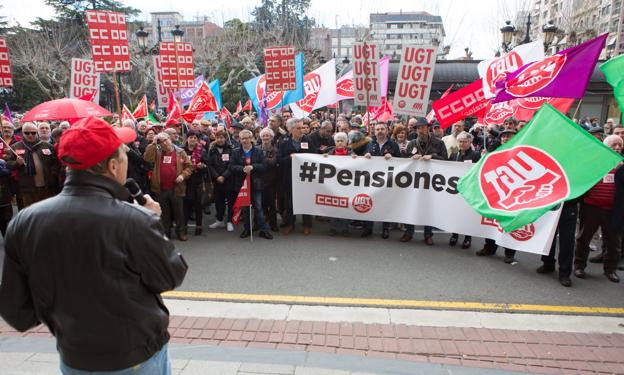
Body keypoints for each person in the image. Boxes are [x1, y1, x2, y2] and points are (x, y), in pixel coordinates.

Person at [0, 116, 188, 374]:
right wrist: (152, 220)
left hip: (74, 355)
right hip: (135, 357)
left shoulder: (25, 221)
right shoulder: (135, 220)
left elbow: (17, 313)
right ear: (113, 166)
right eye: (123, 155)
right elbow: (171, 275)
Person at [573, 135, 623, 283]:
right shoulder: (593, 162)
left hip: (613, 211)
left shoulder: (622, 165)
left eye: (619, 145)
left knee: (614, 242)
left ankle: (610, 269)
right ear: (604, 146)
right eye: (614, 145)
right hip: (591, 208)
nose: (617, 148)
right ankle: (579, 266)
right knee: (583, 238)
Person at [475, 129, 520, 263]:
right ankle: (489, 247)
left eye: (509, 136)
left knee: (510, 223)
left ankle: (509, 252)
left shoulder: (521, 151)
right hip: (497, 192)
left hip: (513, 193)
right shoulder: (495, 151)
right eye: (504, 137)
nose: (506, 138)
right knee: (493, 221)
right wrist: (485, 157)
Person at [401, 117, 448, 244]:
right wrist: (411, 157)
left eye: (423, 127)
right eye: (418, 128)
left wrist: (433, 157)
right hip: (414, 181)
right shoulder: (412, 144)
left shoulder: (439, 143)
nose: (421, 130)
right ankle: (408, 232)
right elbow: (404, 161)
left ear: (428, 128)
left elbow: (445, 160)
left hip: (431, 182)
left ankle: (428, 235)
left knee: (429, 207)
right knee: (410, 205)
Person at [144, 132, 192, 241]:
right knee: (164, 213)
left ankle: (181, 232)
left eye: (165, 140)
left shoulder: (180, 152)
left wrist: (182, 176)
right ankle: (166, 232)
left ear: (170, 139)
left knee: (179, 212)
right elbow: (147, 159)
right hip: (160, 188)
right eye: (161, 142)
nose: (164, 143)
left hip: (176, 188)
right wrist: (153, 143)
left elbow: (189, 167)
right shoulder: (156, 151)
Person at [5, 122, 61, 207]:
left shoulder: (48, 146)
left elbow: (56, 163)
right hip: (27, 189)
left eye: (33, 132)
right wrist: (16, 163)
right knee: (31, 214)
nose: (30, 135)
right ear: (22, 133)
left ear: (37, 132)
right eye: (27, 133)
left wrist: (52, 175)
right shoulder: (15, 147)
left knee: (48, 212)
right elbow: (8, 165)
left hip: (47, 188)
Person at [230, 129, 272, 239]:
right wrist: (242, 169)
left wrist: (253, 167)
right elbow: (232, 166)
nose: (245, 140)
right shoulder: (235, 151)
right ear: (240, 139)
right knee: (245, 208)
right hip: (242, 184)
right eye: (242, 138)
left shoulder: (258, 151)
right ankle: (247, 229)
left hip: (256, 184)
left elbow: (264, 166)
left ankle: (263, 229)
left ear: (251, 138)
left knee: (258, 207)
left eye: (247, 138)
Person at [279, 118, 317, 235]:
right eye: (298, 128)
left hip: (305, 176)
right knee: (290, 201)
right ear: (290, 129)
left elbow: (314, 155)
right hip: (289, 176)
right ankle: (290, 223)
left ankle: (307, 224)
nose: (301, 130)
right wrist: (289, 158)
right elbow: (280, 159)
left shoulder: (307, 140)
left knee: (306, 200)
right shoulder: (284, 141)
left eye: (302, 128)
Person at [362, 122, 400, 238]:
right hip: (371, 181)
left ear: (387, 130)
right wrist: (366, 156)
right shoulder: (368, 144)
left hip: (387, 181)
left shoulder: (393, 145)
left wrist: (393, 158)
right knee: (369, 202)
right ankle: (368, 227)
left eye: (382, 129)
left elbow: (401, 161)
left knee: (385, 204)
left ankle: (385, 228)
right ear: (374, 131)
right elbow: (360, 160)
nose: (379, 131)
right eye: (377, 129)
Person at [447, 131, 479, 248]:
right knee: (456, 213)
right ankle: (454, 235)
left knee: (467, 214)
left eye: (465, 142)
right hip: (456, 190)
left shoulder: (476, 155)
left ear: (470, 142)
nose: (462, 144)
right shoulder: (454, 155)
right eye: (460, 141)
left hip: (470, 190)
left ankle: (467, 237)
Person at [324, 132, 352, 237]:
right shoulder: (330, 153)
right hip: (333, 185)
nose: (340, 143)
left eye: (342, 141)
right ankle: (333, 227)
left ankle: (345, 228)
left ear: (346, 142)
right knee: (333, 205)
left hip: (346, 184)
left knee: (345, 205)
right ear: (335, 142)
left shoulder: (351, 154)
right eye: (337, 141)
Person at [207, 130, 236, 232]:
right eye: (218, 137)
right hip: (217, 181)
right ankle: (219, 220)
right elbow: (210, 165)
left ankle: (229, 221)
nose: (219, 139)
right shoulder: (212, 149)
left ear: (225, 138)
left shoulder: (231, 149)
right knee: (219, 201)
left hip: (228, 180)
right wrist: (217, 176)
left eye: (222, 137)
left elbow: (232, 164)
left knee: (230, 202)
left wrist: (224, 176)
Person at [183, 131, 210, 236]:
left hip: (197, 181)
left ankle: (199, 226)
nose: (192, 140)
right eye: (190, 137)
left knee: (198, 204)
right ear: (187, 139)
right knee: (185, 205)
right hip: (185, 181)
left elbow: (207, 166)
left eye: (194, 138)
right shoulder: (182, 150)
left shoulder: (202, 151)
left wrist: (202, 166)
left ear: (197, 140)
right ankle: (184, 225)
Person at [259, 128, 279, 232]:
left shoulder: (275, 150)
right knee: (260, 205)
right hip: (259, 181)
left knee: (272, 205)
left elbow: (273, 163)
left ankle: (273, 224)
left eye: (268, 136)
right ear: (260, 137)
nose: (266, 138)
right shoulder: (257, 149)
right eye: (264, 136)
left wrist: (262, 159)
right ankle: (259, 224)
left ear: (271, 137)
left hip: (271, 181)